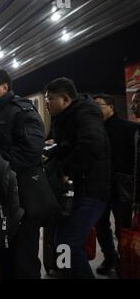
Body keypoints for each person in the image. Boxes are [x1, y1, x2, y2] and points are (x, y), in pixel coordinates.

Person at [0, 68, 45, 279]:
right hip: (0, 201)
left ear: (4, 87)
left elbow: (31, 152)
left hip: (22, 200)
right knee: (3, 260)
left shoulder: (22, 111)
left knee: (23, 263)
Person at [44, 77, 110, 279]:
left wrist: (66, 171)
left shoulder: (86, 112)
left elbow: (91, 143)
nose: (46, 103)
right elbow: (56, 143)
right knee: (61, 242)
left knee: (68, 243)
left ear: (65, 99)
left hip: (91, 190)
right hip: (73, 192)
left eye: (50, 99)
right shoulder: (61, 118)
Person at [93, 94, 138, 275]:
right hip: (99, 187)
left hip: (123, 188)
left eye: (99, 105)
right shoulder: (93, 129)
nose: (95, 108)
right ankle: (110, 258)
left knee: (122, 228)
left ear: (111, 106)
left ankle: (124, 261)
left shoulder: (130, 128)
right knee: (100, 225)